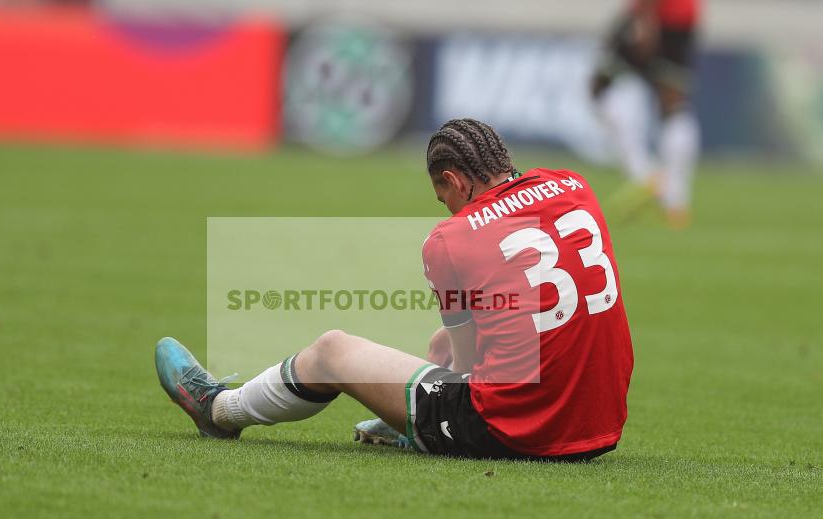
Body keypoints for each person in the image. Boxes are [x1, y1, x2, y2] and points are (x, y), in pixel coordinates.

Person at [155, 118, 633, 461]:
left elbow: (465, 370)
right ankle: (407, 417)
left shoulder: (450, 239)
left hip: (516, 431)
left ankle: (217, 410)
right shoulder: (573, 185)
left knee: (331, 351)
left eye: (442, 197)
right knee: (438, 343)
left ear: (453, 180)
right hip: (600, 425)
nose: (446, 209)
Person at [591, 0, 702, 228]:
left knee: (600, 89)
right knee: (673, 104)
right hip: (682, 20)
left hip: (655, 16)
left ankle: (644, 175)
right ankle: (675, 201)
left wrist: (646, 21)